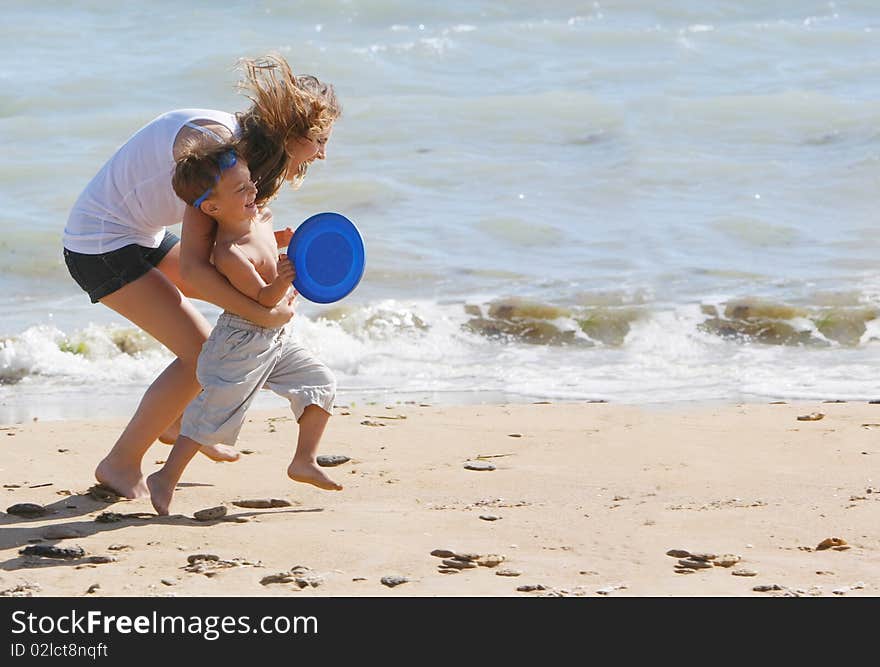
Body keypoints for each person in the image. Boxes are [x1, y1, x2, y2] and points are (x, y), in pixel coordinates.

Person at [62, 54, 340, 499]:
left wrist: (278, 254)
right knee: (202, 357)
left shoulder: (239, 153)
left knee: (215, 338)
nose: (323, 153)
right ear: (293, 132)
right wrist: (262, 313)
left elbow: (227, 247)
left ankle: (174, 420)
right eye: (320, 140)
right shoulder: (215, 149)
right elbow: (197, 266)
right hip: (101, 245)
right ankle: (120, 464)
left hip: (139, 234)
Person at [146, 144, 342, 515]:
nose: (253, 191)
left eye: (250, 183)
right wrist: (283, 281)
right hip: (242, 339)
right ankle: (165, 477)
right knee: (213, 413)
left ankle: (304, 460)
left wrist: (286, 242)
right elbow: (264, 299)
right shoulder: (229, 253)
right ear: (212, 208)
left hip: (276, 337)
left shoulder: (261, 219)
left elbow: (268, 248)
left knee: (320, 381)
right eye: (241, 190)